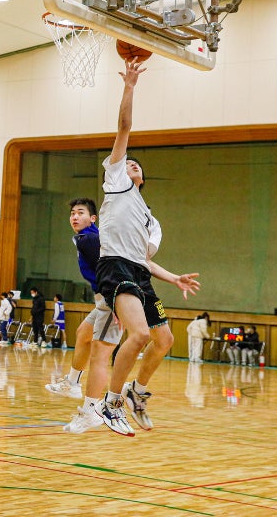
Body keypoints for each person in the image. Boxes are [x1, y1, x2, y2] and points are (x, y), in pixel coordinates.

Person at [86, 60, 200, 436]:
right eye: (128, 162)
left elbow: (147, 261)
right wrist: (130, 87)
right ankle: (111, 403)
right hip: (115, 267)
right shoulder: (116, 181)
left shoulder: (151, 221)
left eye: (136, 165)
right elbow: (124, 128)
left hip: (137, 271)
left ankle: (137, 392)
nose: (130, 163)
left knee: (164, 339)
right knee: (139, 335)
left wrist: (174, 277)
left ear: (144, 179)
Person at [49, 198, 114, 402]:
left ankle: (95, 406)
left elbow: (110, 271)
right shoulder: (86, 237)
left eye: (80, 213)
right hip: (102, 300)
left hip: (110, 298)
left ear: (93, 218)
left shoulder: (90, 240)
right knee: (82, 334)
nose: (75, 217)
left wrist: (116, 303)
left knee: (100, 353)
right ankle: (73, 383)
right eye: (72, 214)